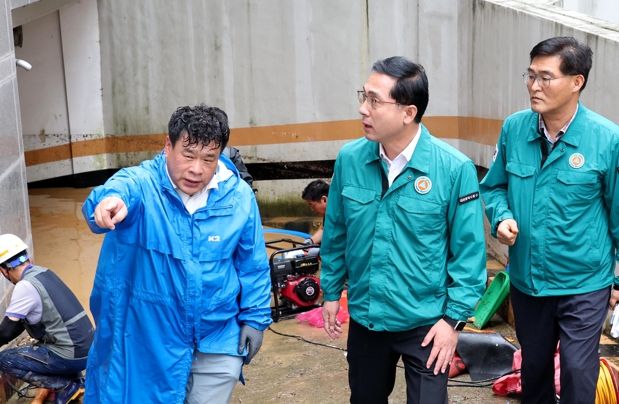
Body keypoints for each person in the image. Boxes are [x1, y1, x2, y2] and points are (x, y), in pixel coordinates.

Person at [320, 56, 487, 403]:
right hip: (367, 317)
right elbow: (336, 232)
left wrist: (453, 321)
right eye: (363, 96)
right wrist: (332, 292)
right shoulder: (350, 159)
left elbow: (469, 254)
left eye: (375, 101)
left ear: (408, 112)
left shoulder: (453, 169)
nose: (363, 109)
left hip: (427, 324)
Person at [81, 104, 272, 403]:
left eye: (209, 159)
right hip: (148, 336)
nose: (197, 169)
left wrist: (256, 318)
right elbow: (118, 189)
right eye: (188, 155)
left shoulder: (239, 197)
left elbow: (252, 265)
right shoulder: (143, 185)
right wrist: (108, 203)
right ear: (167, 146)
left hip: (217, 332)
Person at [480, 36, 619, 403]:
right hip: (528, 281)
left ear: (577, 82)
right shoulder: (515, 129)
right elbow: (494, 186)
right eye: (530, 75)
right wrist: (501, 217)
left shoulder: (607, 140)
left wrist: (618, 281)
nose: (534, 86)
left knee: (577, 370)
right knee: (535, 370)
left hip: (584, 282)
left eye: (546, 77)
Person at [0, 233, 94, 404]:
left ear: (4, 270)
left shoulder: (25, 286)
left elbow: (6, 332)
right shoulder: (44, 272)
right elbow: (18, 324)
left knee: (6, 359)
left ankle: (66, 386)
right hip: (88, 350)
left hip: (71, 354)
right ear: (27, 257)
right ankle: (75, 381)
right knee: (47, 344)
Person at [301, 179, 329, 246]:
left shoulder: (343, 213)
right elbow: (324, 229)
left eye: (312, 205)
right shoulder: (328, 212)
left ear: (324, 200)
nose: (312, 209)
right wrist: (310, 241)